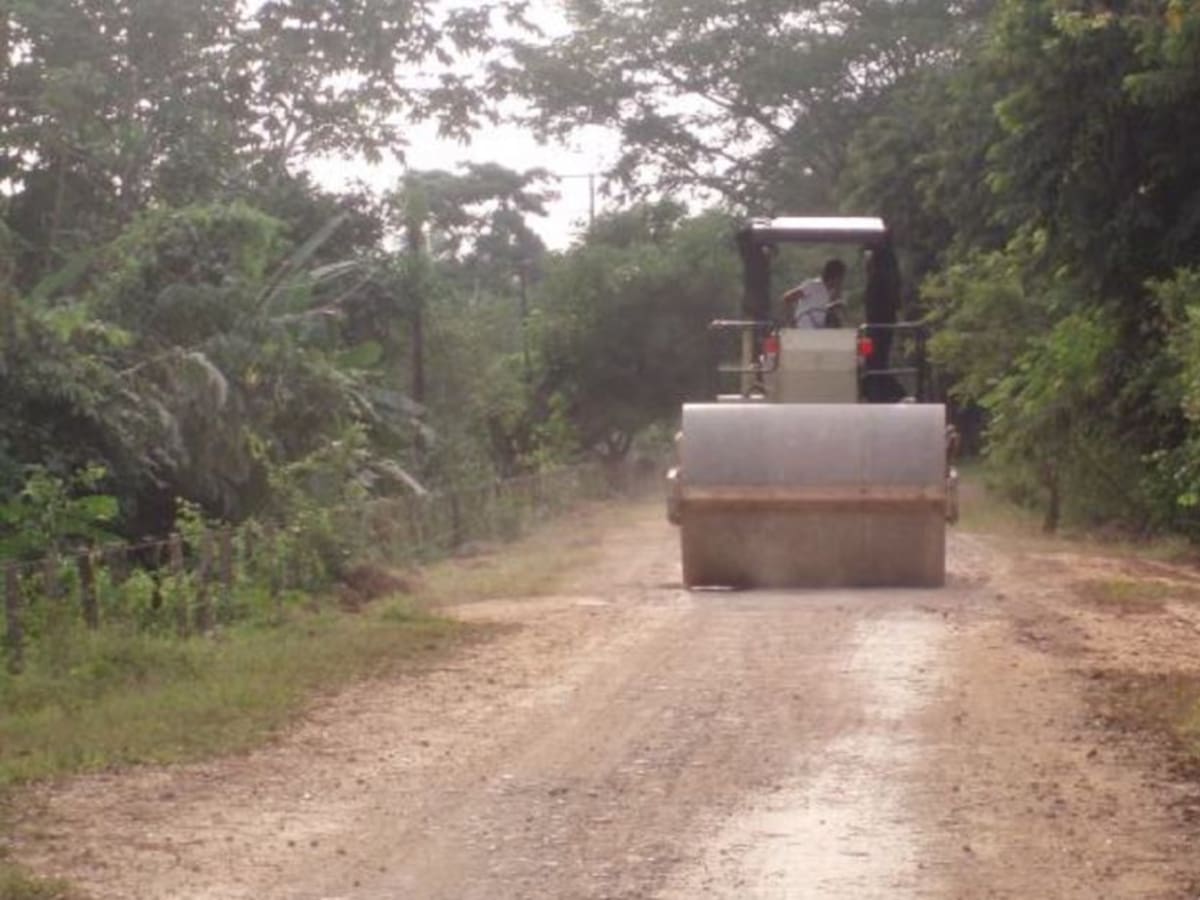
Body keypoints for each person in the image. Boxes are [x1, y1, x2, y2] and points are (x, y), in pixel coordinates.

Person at [782, 258, 846, 328]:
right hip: (804, 327)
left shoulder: (827, 291)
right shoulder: (813, 285)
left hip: (817, 329)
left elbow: (817, 307)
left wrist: (833, 305)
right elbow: (787, 297)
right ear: (835, 277)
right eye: (841, 277)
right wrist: (790, 320)